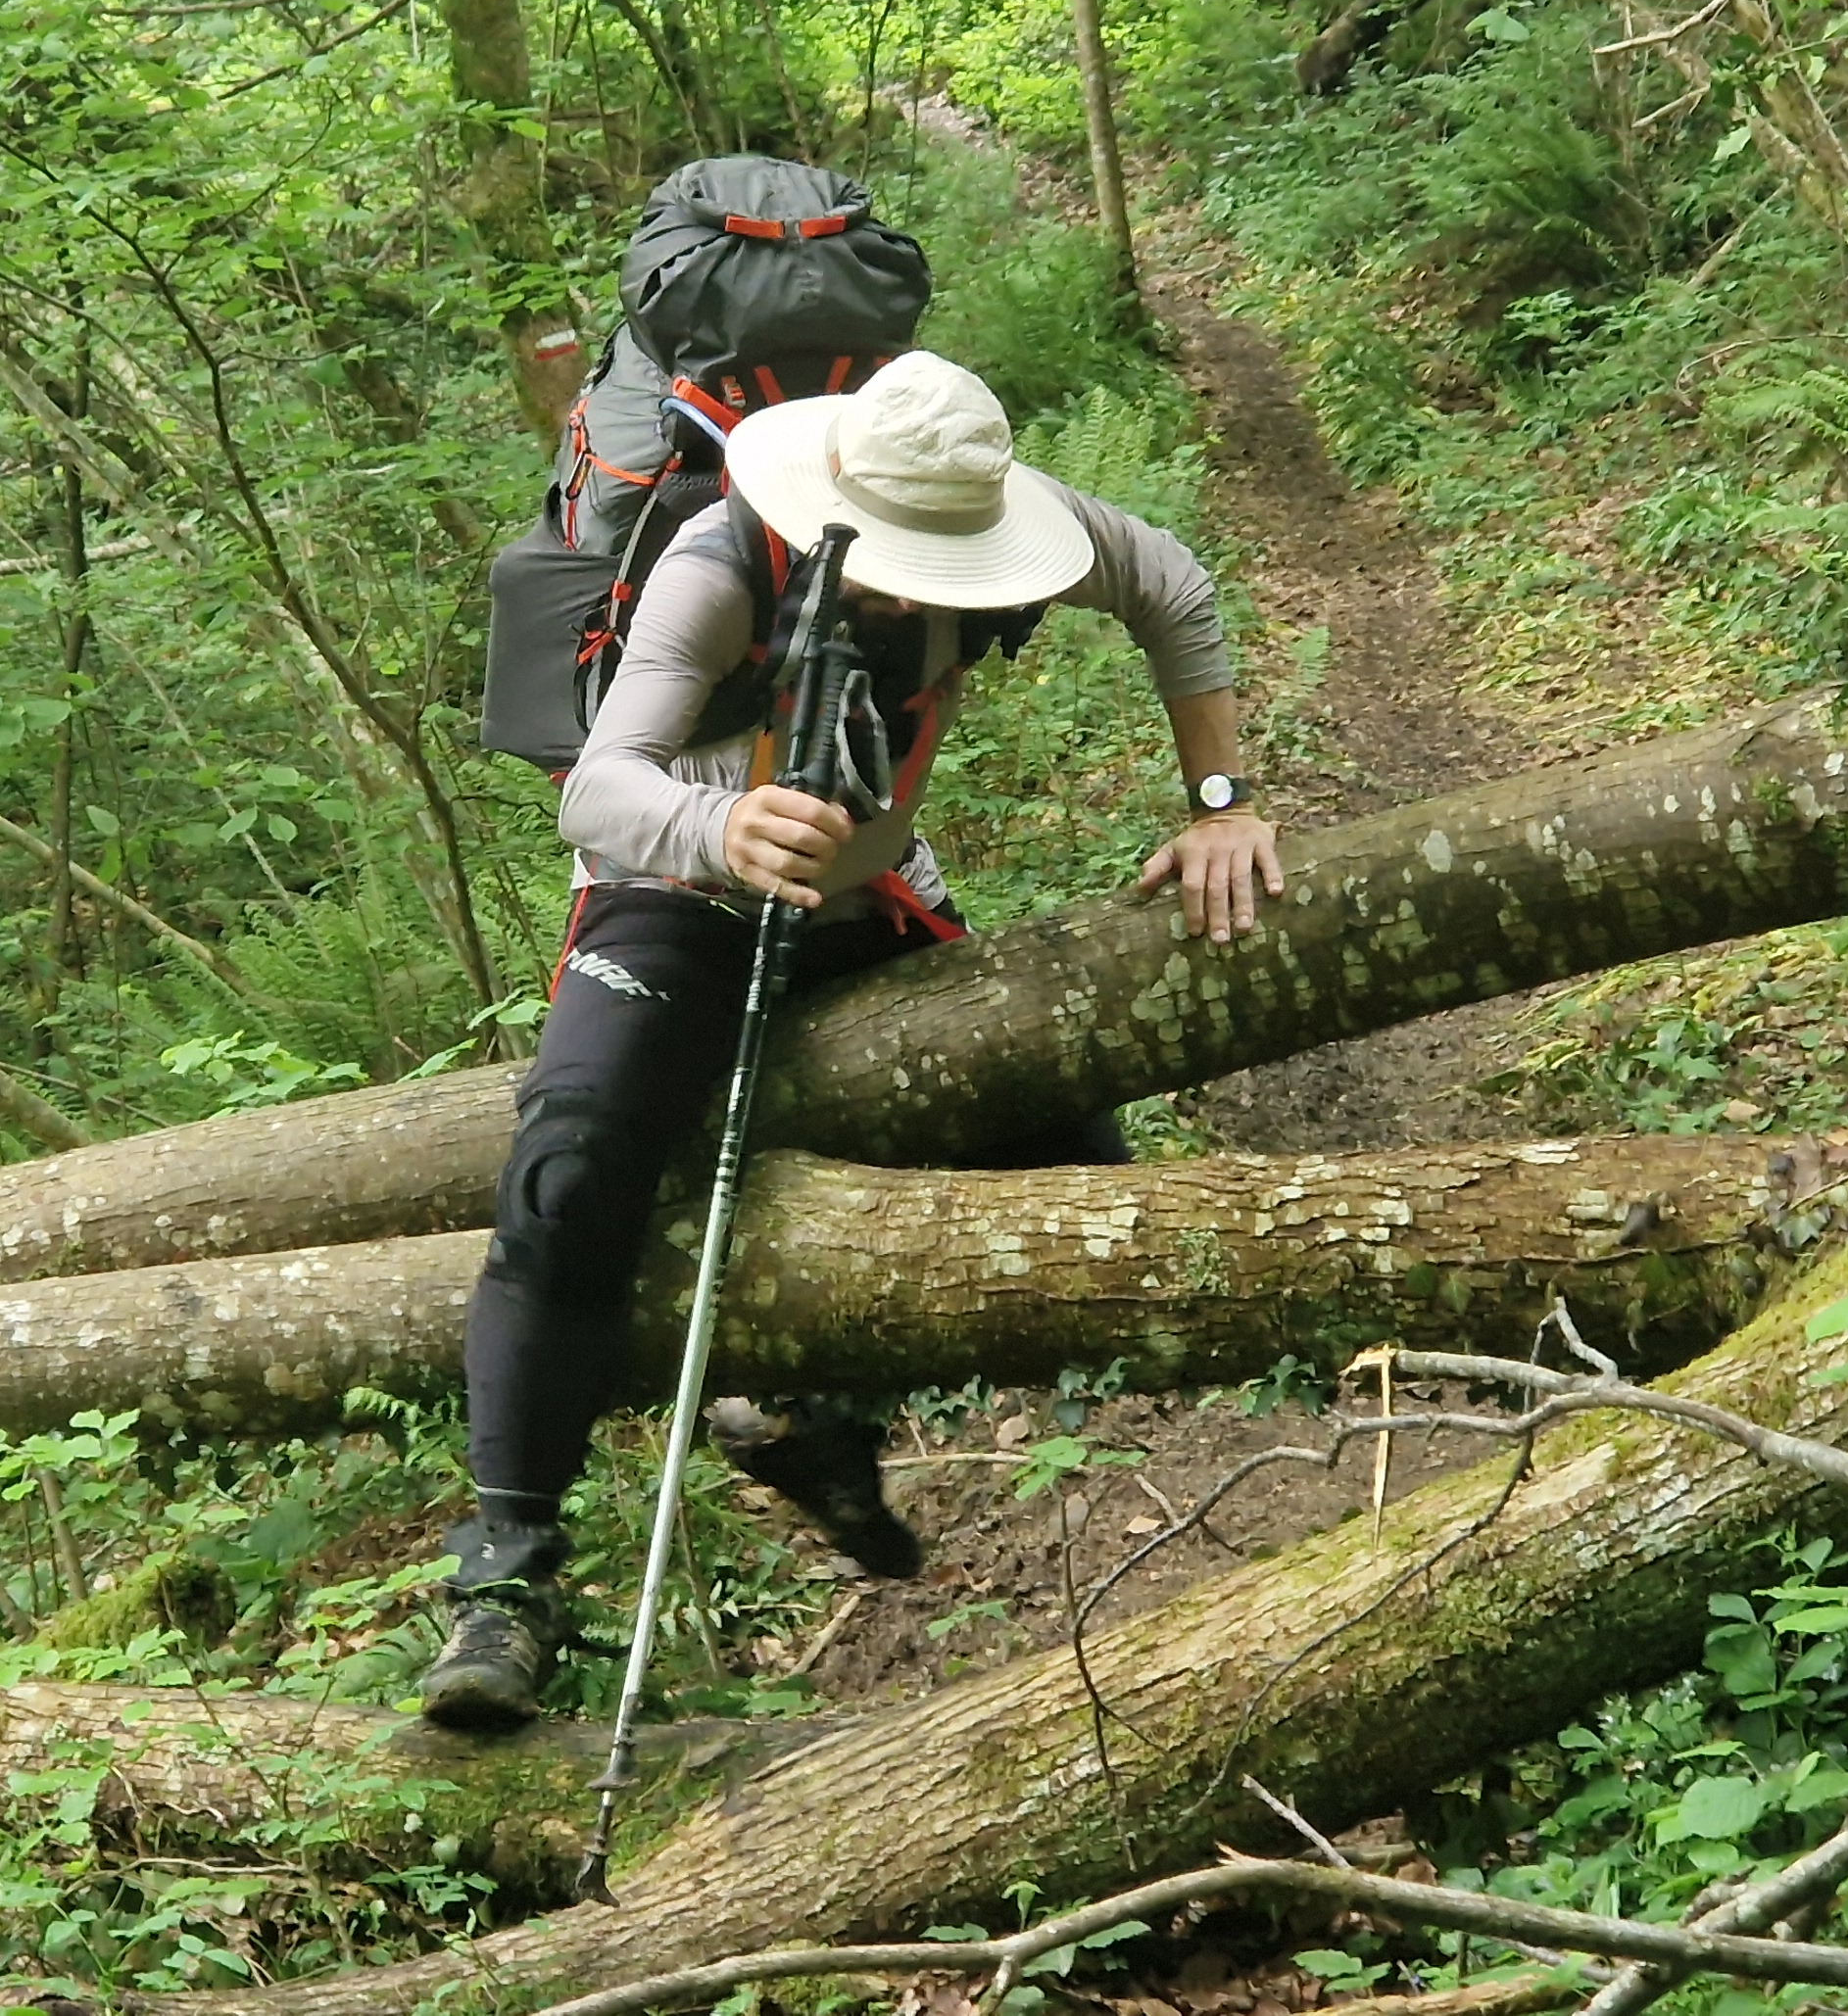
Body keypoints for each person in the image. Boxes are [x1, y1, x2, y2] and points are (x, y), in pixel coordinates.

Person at [420, 350, 1286, 1729]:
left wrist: (1222, 803)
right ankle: (507, 1580)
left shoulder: (1016, 526)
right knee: (570, 1171)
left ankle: (820, 1415)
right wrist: (720, 826)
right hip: (677, 894)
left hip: (873, 895)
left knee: (1069, 1164)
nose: (920, 591)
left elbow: (1171, 584)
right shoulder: (720, 566)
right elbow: (598, 792)